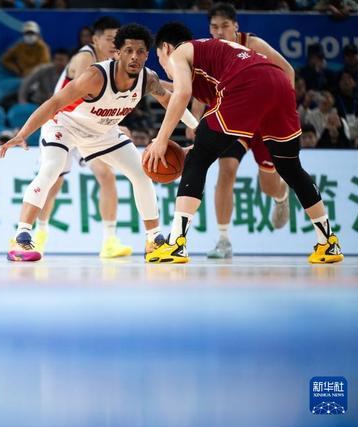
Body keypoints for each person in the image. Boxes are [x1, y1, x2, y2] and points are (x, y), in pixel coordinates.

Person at [144, 21, 343, 264]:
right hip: (278, 83)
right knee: (291, 168)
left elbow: (182, 93)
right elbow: (195, 106)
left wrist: (161, 139)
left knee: (197, 161)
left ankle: (176, 244)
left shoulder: (179, 53)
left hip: (248, 83)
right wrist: (199, 144)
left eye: (159, 58)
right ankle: (329, 243)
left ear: (166, 48)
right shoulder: (209, 61)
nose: (164, 66)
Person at [0, 23, 198, 262]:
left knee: (141, 173)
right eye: (128, 51)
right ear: (118, 53)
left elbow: (172, 101)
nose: (134, 56)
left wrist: (197, 127)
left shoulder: (148, 79)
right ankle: (21, 236)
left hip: (102, 132)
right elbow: (54, 103)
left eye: (140, 51)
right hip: (65, 125)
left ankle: (153, 239)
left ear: (147, 55)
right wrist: (23, 133)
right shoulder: (95, 76)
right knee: (51, 169)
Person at [187, 3, 293, 259]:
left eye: (225, 26)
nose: (219, 31)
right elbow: (201, 88)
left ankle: (281, 195)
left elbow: (288, 71)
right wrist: (194, 120)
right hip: (235, 120)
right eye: (214, 27)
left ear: (235, 26)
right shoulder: (208, 50)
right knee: (226, 170)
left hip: (264, 122)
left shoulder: (253, 44)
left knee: (268, 185)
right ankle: (223, 240)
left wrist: (283, 110)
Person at [33, 17, 137, 258]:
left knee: (106, 175)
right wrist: (115, 126)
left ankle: (110, 241)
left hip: (90, 128)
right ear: (96, 39)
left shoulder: (117, 62)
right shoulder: (84, 58)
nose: (114, 44)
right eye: (109, 39)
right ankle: (38, 234)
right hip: (63, 124)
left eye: (118, 40)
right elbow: (85, 100)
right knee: (53, 182)